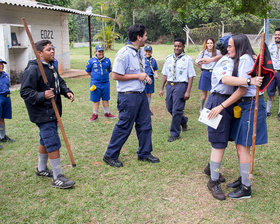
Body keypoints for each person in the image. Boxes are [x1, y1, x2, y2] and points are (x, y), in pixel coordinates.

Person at [207, 34, 267, 199]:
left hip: (245, 103)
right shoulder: (237, 58)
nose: (228, 49)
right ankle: (218, 176)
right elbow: (228, 79)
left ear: (239, 46)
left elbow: (240, 87)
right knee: (225, 143)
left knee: (239, 146)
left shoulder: (244, 59)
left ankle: (245, 185)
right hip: (231, 103)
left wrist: (221, 106)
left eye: (231, 46)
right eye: (228, 46)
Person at [20, 40, 75, 189]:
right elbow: (25, 92)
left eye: (53, 49)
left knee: (45, 140)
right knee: (53, 142)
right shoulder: (33, 69)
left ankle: (42, 168)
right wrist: (42, 95)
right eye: (49, 50)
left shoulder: (51, 66)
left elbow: (59, 82)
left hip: (52, 111)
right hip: (43, 113)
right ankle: (58, 177)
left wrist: (67, 91)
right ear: (39, 53)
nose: (52, 52)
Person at [103, 24, 160, 167]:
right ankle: (110, 155)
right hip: (128, 97)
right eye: (145, 35)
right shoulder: (124, 53)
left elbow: (139, 72)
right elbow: (116, 75)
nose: (146, 38)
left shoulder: (140, 52)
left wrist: (145, 76)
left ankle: (144, 153)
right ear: (139, 37)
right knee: (124, 126)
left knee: (145, 125)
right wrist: (137, 76)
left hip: (140, 94)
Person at [159, 38, 196, 142]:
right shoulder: (168, 58)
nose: (177, 48)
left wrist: (188, 91)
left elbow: (190, 76)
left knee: (177, 110)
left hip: (181, 85)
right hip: (170, 86)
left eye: (179, 46)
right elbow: (165, 74)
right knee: (169, 107)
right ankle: (183, 120)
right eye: (175, 46)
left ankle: (174, 133)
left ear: (183, 47)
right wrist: (161, 88)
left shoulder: (187, 59)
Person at [86, 44, 116, 121]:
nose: (101, 53)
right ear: (96, 52)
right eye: (99, 51)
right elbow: (88, 71)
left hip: (105, 83)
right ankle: (95, 114)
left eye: (102, 51)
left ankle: (107, 113)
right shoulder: (91, 61)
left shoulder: (107, 60)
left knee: (106, 98)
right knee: (95, 99)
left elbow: (109, 70)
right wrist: (95, 78)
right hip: (95, 84)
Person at [195, 38, 220, 111]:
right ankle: (201, 109)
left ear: (213, 44)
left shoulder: (217, 52)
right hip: (205, 74)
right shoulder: (202, 53)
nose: (210, 45)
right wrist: (202, 67)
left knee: (213, 93)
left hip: (214, 74)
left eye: (211, 43)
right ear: (206, 44)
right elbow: (196, 62)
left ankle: (211, 108)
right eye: (208, 43)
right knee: (204, 95)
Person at [0, 59, 15, 148]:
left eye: (2, 64)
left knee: (2, 118)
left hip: (6, 98)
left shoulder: (4, 75)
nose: (2, 66)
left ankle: (2, 136)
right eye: (0, 64)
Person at [266, 28, 280, 120]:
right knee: (270, 91)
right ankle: (267, 111)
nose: (277, 36)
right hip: (271, 73)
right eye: (276, 34)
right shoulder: (270, 46)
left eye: (279, 35)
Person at [144, 45, 158, 115]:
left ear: (151, 52)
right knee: (143, 93)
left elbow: (155, 69)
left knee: (149, 94)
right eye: (146, 51)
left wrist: (156, 74)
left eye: (149, 51)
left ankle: (147, 109)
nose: (148, 53)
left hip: (151, 78)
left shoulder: (153, 60)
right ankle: (142, 109)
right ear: (144, 51)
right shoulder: (142, 60)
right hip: (143, 78)